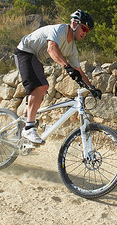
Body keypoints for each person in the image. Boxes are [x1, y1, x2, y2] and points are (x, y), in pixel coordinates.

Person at [14, 9, 102, 143]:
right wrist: (67, 66)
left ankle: (21, 129)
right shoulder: (60, 29)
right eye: (84, 28)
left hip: (35, 58)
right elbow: (52, 48)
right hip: (25, 52)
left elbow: (78, 70)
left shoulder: (72, 48)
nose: (85, 33)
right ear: (74, 24)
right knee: (41, 86)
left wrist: (91, 88)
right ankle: (29, 129)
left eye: (87, 31)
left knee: (37, 93)